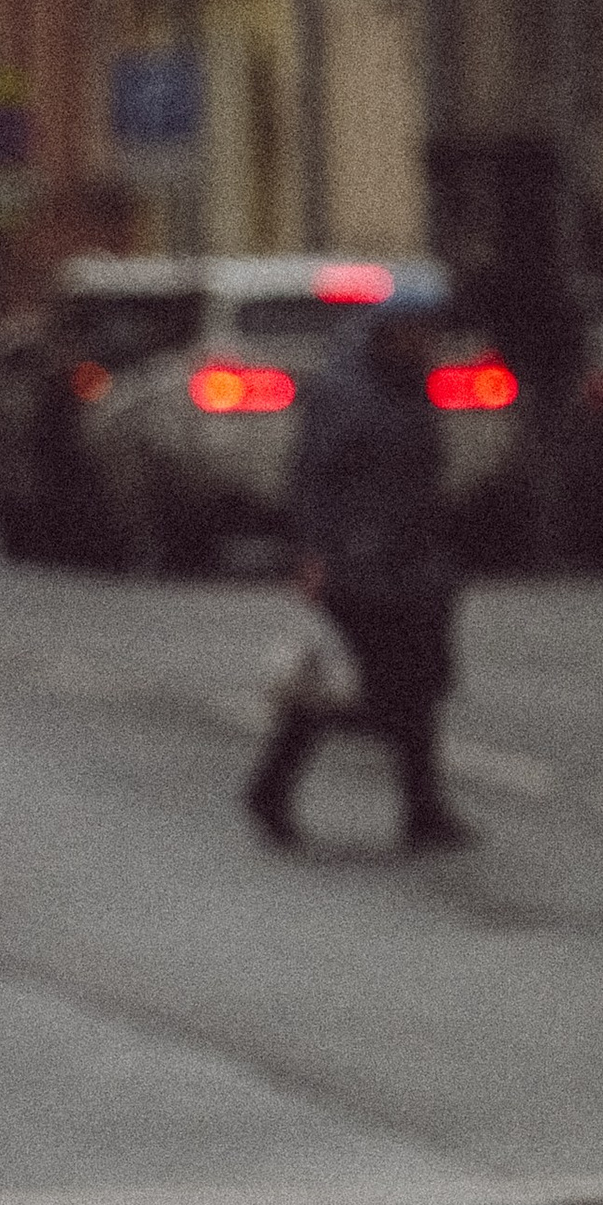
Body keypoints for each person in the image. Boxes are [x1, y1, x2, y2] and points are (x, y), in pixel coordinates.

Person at [245, 304, 475, 854]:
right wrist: (313, 551)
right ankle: (274, 788)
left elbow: (422, 478)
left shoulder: (407, 388)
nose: (429, 343)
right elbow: (314, 476)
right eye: (420, 332)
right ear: (393, 334)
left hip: (413, 564)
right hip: (360, 565)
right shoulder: (347, 391)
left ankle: (420, 808)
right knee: (370, 688)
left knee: (415, 686)